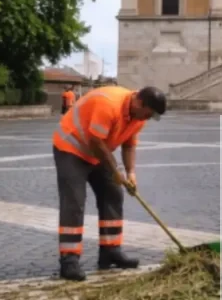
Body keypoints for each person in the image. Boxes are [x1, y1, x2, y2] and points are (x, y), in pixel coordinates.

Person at [53, 85, 168, 281]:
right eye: (148, 114)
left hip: (97, 152)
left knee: (113, 194)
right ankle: (69, 261)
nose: (148, 119)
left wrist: (130, 173)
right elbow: (96, 141)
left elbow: (129, 145)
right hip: (71, 148)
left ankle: (110, 251)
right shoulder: (109, 105)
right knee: (74, 202)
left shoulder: (138, 117)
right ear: (139, 102)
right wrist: (116, 171)